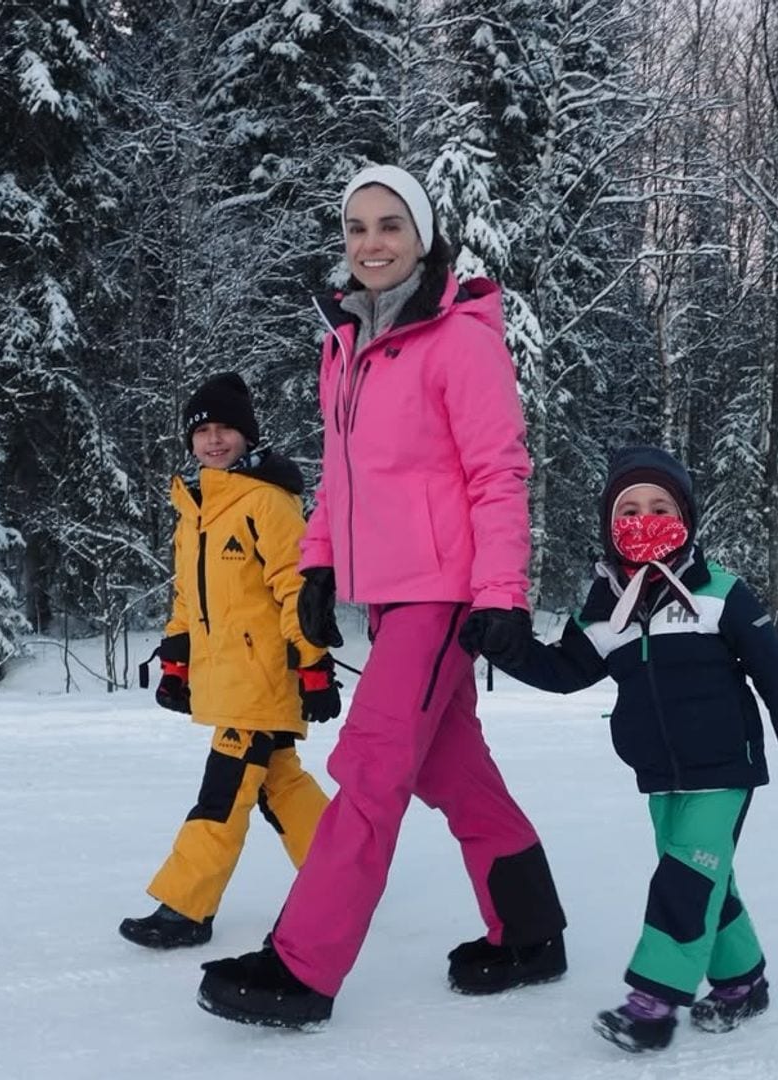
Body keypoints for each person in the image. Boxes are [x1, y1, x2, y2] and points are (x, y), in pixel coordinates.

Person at [195, 165, 566, 1028]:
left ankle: (302, 966)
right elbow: (343, 475)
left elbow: (499, 474)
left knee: (368, 769)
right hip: (387, 597)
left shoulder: (459, 339)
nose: (371, 243)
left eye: (390, 225)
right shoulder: (346, 346)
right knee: (453, 770)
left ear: (424, 237)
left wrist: (501, 596)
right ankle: (531, 931)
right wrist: (320, 565)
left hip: (443, 598)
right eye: (357, 227)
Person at [464, 445, 778, 1055]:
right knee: (705, 875)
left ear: (687, 517)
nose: (646, 520)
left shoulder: (721, 593)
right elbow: (565, 670)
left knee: (686, 876)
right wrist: (506, 645)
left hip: (725, 767)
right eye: (630, 510)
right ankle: (742, 984)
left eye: (661, 507)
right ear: (610, 527)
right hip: (658, 774)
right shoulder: (603, 608)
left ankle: (653, 1002)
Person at [119, 372, 340, 950]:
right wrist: (177, 661)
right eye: (204, 432)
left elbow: (300, 592)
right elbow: (189, 599)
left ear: (246, 436)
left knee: (223, 793)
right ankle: (343, 871)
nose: (214, 441)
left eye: (226, 430)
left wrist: (314, 666)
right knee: (279, 782)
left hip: (262, 678)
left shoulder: (266, 503)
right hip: (230, 680)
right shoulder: (197, 510)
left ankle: (187, 908)